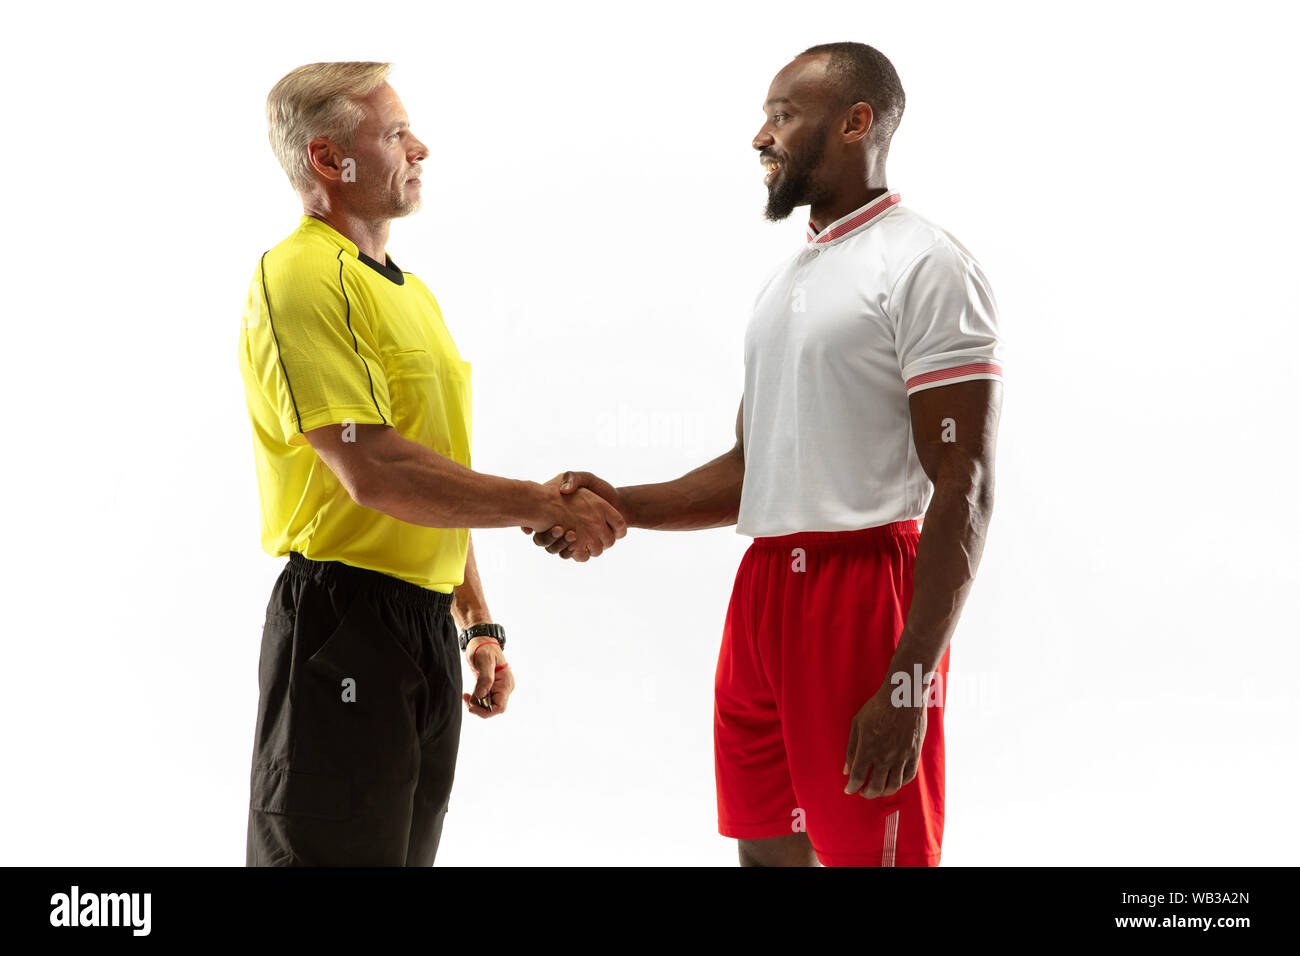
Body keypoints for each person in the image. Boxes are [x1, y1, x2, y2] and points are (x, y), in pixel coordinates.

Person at [529, 42, 1003, 866]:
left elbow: (965, 481)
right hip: (763, 597)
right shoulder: (786, 283)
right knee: (765, 849)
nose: (761, 135)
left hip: (864, 591)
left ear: (856, 123)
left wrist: (910, 680)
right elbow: (755, 468)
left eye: (784, 114)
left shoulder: (926, 263)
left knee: (870, 852)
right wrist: (621, 505)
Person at [238, 61, 625, 866]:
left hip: (421, 629)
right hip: (342, 620)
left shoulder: (412, 294)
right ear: (326, 160)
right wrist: (541, 503)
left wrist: (476, 623)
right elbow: (376, 472)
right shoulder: (300, 275)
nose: (421, 147)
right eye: (393, 134)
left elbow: (436, 475)